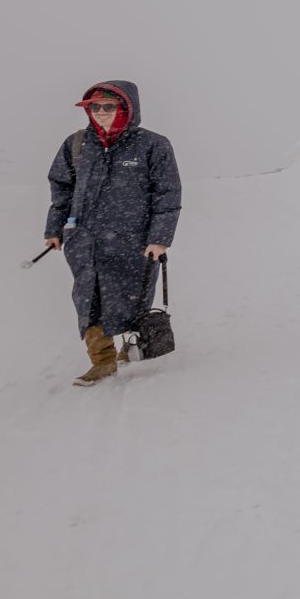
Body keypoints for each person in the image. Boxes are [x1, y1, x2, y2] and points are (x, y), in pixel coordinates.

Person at [43, 81, 182, 386]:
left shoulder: (153, 146)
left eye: (109, 106)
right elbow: (62, 190)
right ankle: (102, 360)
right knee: (88, 298)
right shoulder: (76, 144)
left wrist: (159, 238)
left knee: (129, 300)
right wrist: (55, 228)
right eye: (95, 107)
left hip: (134, 241)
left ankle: (130, 345)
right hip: (84, 240)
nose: (101, 112)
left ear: (126, 108)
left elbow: (167, 194)